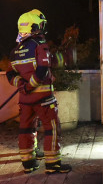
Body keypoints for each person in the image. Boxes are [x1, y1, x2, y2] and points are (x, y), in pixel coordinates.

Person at [6, 10, 71, 174]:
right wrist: (31, 85)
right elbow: (42, 69)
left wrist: (22, 86)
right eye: (40, 25)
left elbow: (10, 74)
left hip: (25, 100)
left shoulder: (16, 50)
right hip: (43, 99)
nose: (42, 28)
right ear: (33, 26)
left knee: (26, 128)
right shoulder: (39, 44)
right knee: (52, 128)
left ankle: (29, 163)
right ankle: (53, 163)